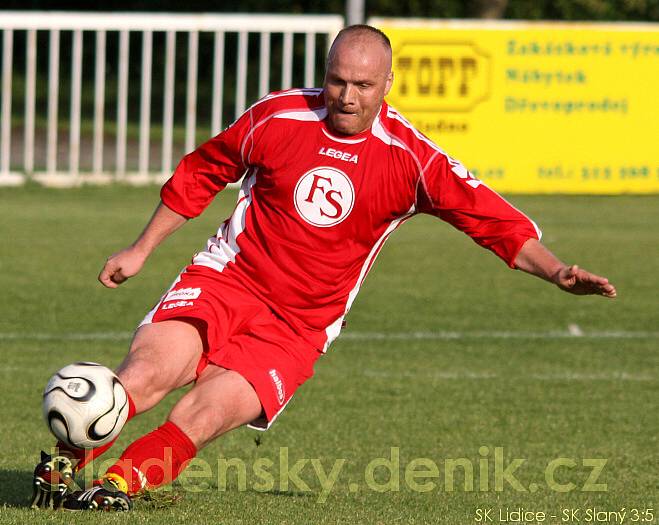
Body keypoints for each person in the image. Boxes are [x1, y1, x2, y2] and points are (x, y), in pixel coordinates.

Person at [31, 24, 616, 512]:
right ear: (325, 72)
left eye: (363, 84)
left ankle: (115, 490)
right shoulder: (277, 117)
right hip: (225, 279)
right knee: (148, 372)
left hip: (298, 328)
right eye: (338, 79)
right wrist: (140, 248)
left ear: (388, 83)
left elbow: (493, 221)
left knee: (203, 414)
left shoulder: (412, 159)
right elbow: (201, 172)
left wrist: (557, 270)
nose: (347, 95)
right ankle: (60, 464)